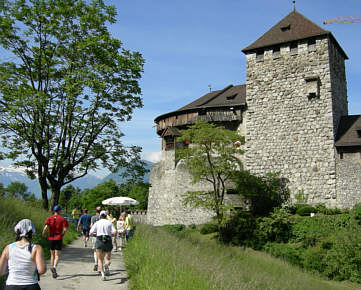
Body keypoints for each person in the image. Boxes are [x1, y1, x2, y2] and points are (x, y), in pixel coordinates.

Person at [0, 219, 46, 290]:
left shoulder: (8, 248)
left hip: (11, 285)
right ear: (32, 232)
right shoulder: (36, 248)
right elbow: (41, 270)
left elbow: (1, 271)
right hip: (30, 285)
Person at [42, 205, 68, 279]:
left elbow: (46, 228)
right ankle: (54, 267)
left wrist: (43, 233)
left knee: (52, 254)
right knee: (57, 255)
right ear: (59, 211)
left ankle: (53, 268)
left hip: (51, 237)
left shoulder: (49, 218)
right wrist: (62, 234)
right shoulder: (62, 219)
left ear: (54, 211)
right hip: (58, 237)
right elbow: (65, 229)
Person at [89, 210, 116, 281]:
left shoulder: (97, 223)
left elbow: (90, 233)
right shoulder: (109, 222)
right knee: (107, 258)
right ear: (106, 215)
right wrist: (111, 235)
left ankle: (103, 275)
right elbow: (114, 232)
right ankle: (106, 264)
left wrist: (96, 234)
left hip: (99, 240)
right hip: (108, 240)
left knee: (100, 259)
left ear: (100, 216)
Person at [90, 206, 101, 271]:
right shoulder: (102, 218)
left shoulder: (93, 217)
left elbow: (91, 226)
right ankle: (100, 267)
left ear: (95, 211)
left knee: (95, 250)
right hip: (101, 236)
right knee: (101, 251)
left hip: (94, 235)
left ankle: (95, 263)